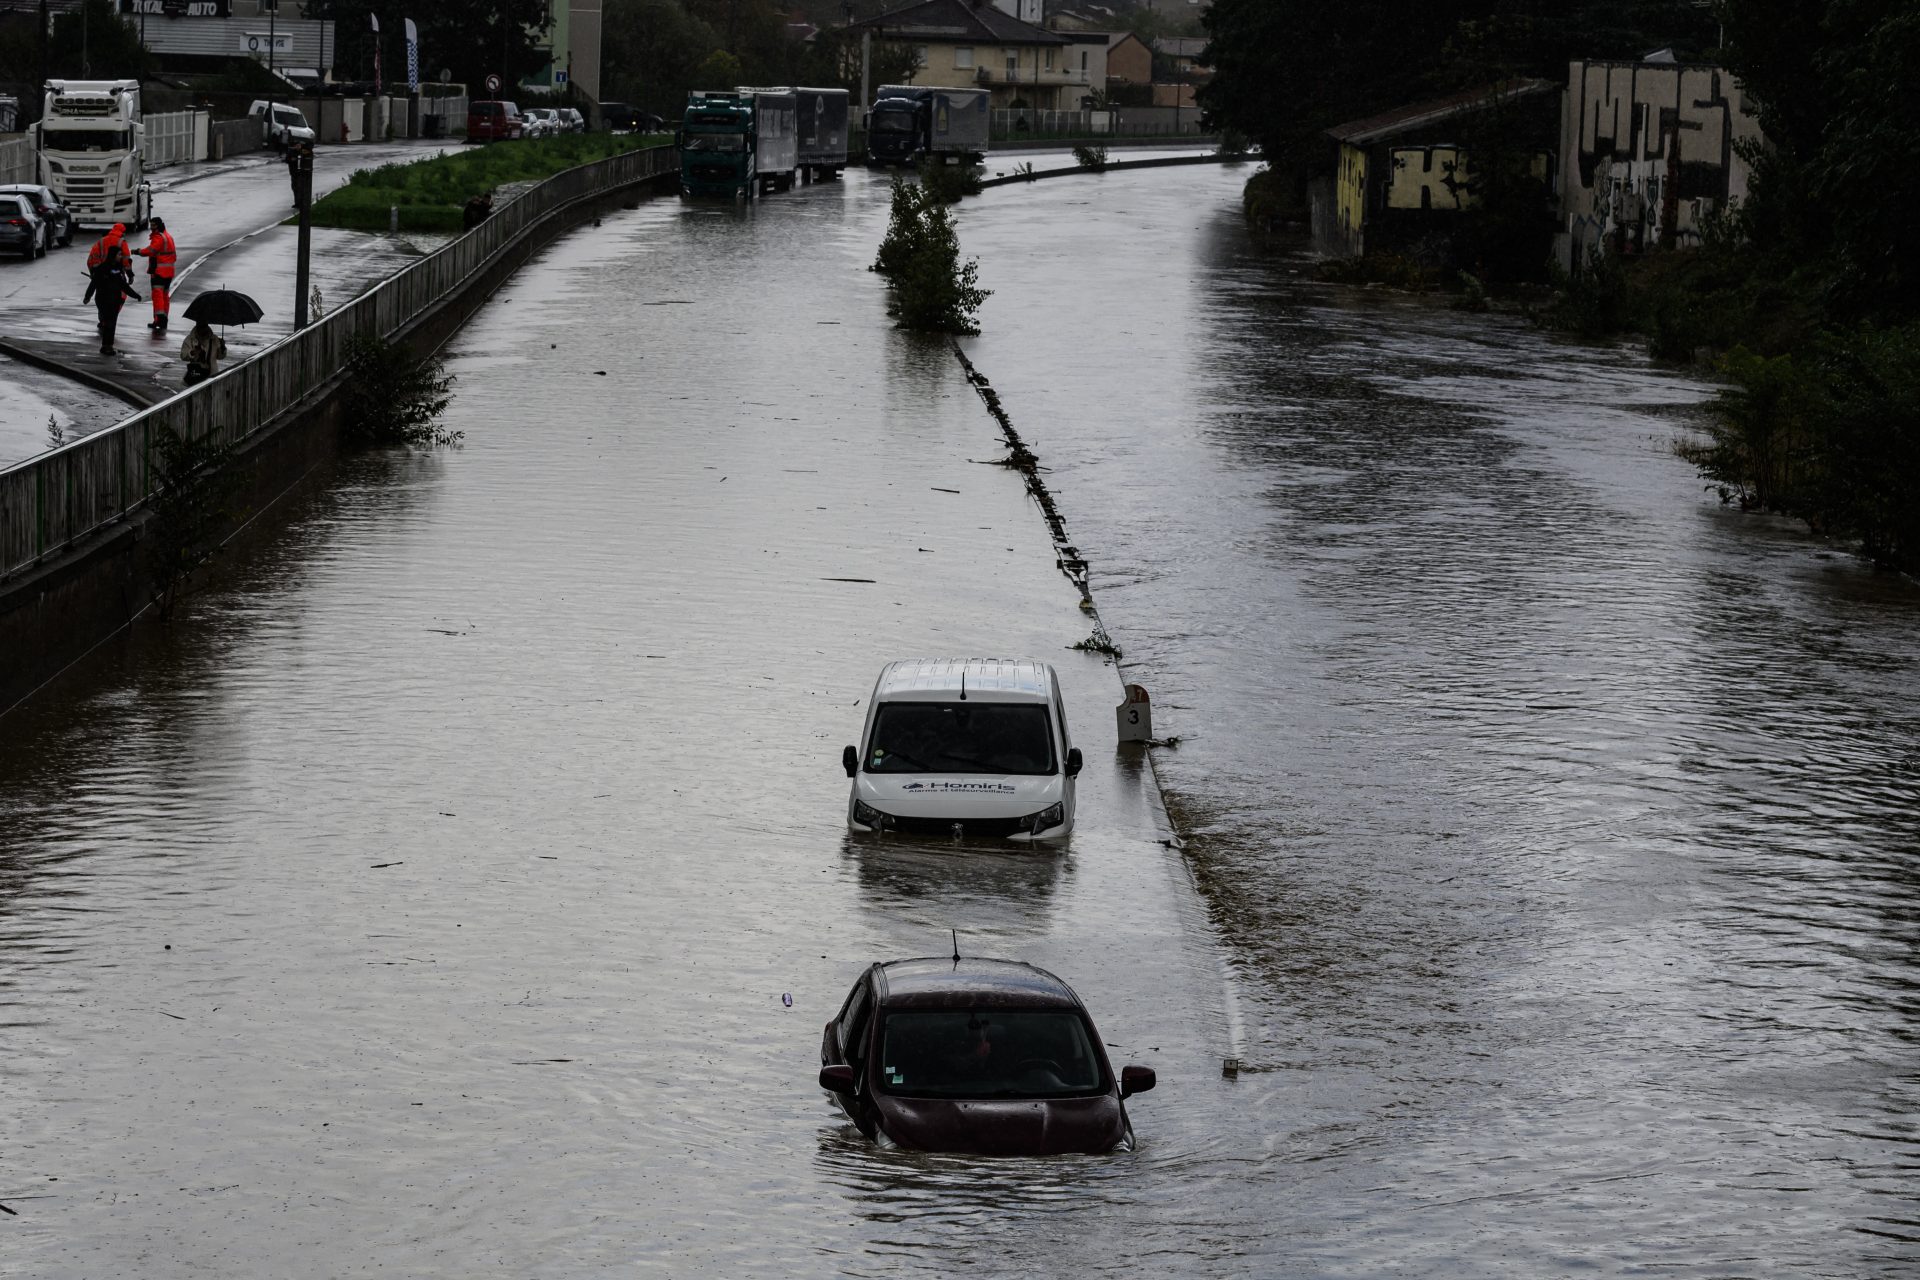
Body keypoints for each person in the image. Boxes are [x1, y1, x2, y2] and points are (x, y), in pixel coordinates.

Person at [82, 223, 140, 356]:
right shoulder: (122, 242)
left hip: (101, 283)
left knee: (104, 308)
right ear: (122, 232)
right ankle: (107, 338)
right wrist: (130, 274)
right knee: (116, 306)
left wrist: (93, 271)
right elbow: (126, 259)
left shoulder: (101, 242)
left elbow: (91, 258)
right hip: (113, 287)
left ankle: (104, 322)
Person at [132, 216, 177, 336]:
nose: (151, 227)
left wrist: (137, 251)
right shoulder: (168, 236)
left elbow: (151, 251)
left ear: (157, 226)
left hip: (159, 272)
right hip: (169, 272)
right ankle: (163, 319)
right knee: (165, 296)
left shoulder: (158, 238)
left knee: (157, 296)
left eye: (153, 225)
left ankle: (159, 319)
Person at [179, 319, 226, 386]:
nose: (202, 329)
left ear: (207, 325)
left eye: (204, 326)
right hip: (195, 375)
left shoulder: (214, 339)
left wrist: (223, 347)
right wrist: (192, 353)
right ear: (197, 324)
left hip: (212, 376)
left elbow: (220, 357)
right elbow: (183, 356)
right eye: (200, 326)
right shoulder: (190, 339)